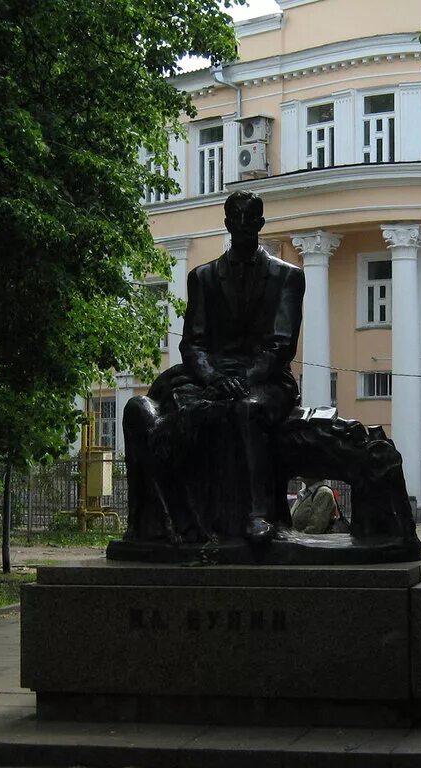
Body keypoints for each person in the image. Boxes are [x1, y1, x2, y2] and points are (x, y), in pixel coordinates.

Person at [123, 191, 305, 544]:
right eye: (235, 220)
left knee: (246, 411)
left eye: (249, 220)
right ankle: (167, 520)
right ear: (226, 224)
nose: (242, 227)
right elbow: (193, 343)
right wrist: (215, 378)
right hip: (210, 376)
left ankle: (256, 515)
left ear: (260, 224)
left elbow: (281, 344)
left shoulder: (288, 277)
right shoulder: (203, 277)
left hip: (266, 379)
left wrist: (242, 380)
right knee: (151, 412)